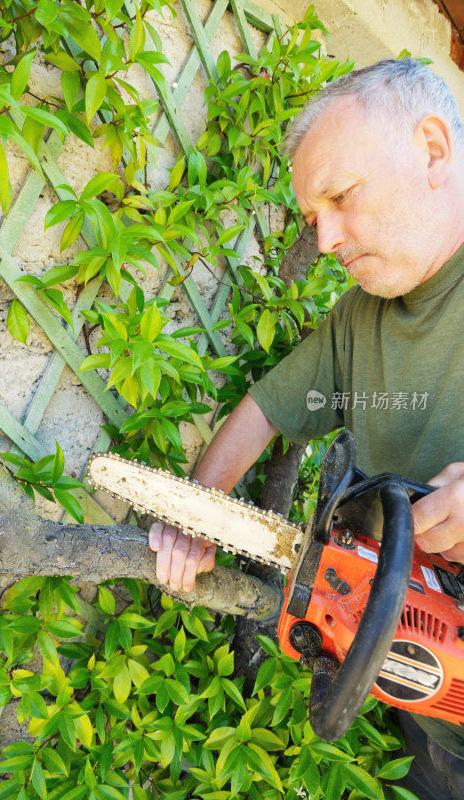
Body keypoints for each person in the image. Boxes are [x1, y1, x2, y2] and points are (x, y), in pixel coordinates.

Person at [149, 59, 464, 798]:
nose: (324, 239)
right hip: (426, 698)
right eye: (312, 216)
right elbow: (265, 409)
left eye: (340, 197)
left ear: (431, 149)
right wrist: (197, 511)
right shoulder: (360, 318)